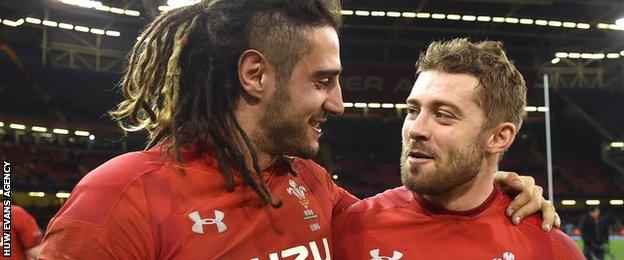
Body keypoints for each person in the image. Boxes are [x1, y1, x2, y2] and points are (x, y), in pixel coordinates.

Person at [40, 1, 557, 258]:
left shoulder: (312, 185)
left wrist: (497, 189)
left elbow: (410, 218)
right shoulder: (118, 202)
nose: (337, 103)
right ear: (256, 74)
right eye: (322, 81)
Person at [333, 39, 583, 259]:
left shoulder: (548, 249)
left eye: (442, 115)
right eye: (413, 111)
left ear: (498, 137)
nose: (415, 129)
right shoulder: (354, 227)